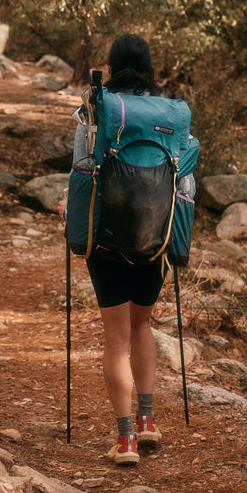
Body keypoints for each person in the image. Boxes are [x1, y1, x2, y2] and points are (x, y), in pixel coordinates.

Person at [58, 34, 169, 466]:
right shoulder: (170, 113)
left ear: (112, 64)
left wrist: (69, 211)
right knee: (141, 328)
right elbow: (187, 178)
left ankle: (125, 443)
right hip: (155, 239)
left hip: (106, 239)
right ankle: (147, 421)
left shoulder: (95, 110)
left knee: (116, 338)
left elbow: (81, 169)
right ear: (150, 66)